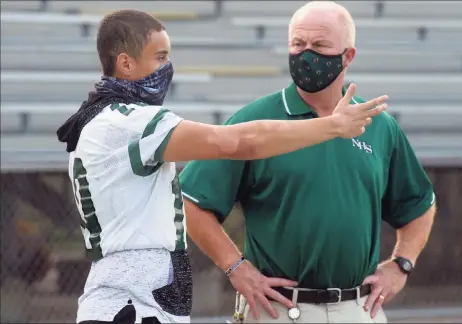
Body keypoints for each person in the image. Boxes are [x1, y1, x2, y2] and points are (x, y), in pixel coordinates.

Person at [55, 9, 387, 324]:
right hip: (131, 303)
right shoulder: (129, 122)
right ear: (125, 63)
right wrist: (332, 127)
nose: (167, 67)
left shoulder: (101, 118)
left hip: (123, 293)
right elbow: (238, 143)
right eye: (160, 57)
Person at [179, 1, 436, 323]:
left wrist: (402, 264)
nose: (306, 55)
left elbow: (419, 203)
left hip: (358, 309)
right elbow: (191, 201)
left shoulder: (379, 126)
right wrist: (236, 268)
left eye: (320, 45)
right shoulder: (255, 121)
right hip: (278, 310)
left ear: (348, 56)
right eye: (298, 45)